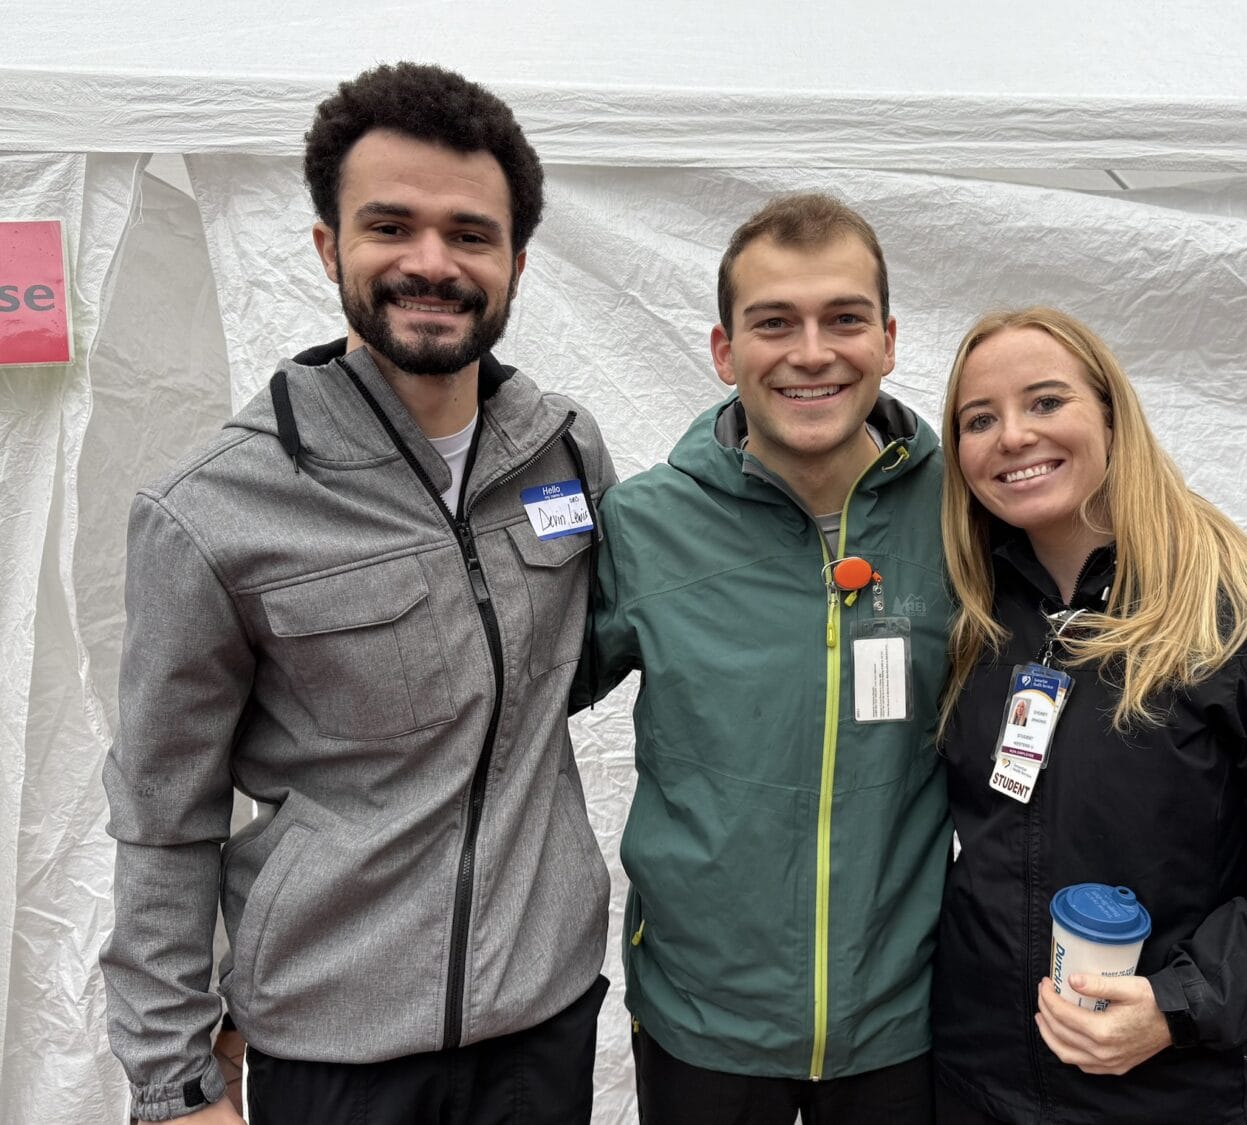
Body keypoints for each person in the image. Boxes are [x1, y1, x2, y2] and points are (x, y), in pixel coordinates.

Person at [100, 63, 613, 1124]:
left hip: (545, 1022)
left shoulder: (565, 453)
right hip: (331, 1052)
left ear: (516, 260)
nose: (432, 263)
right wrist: (175, 1079)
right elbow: (163, 818)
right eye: (391, 226)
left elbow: (583, 661)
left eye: (470, 235)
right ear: (331, 245)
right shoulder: (214, 510)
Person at [929, 307, 1247, 1123]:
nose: (1011, 436)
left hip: (1175, 1092)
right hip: (977, 1084)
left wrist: (1178, 1004)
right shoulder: (972, 618)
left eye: (1044, 402)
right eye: (979, 419)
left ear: (1111, 415)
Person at [579, 193, 950, 1123]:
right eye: (774, 322)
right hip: (703, 1023)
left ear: (891, 339)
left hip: (907, 1019)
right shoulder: (646, 525)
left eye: (844, 319)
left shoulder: (964, 516)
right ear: (723, 349)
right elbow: (514, 697)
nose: (812, 352)